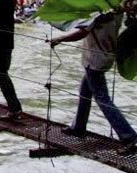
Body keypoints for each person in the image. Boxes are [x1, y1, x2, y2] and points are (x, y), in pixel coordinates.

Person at [51, 11, 137, 155]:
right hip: (105, 55)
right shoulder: (117, 12)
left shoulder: (98, 14)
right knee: (85, 92)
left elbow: (82, 32)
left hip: (95, 58)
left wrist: (60, 39)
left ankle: (129, 137)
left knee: (102, 99)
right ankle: (78, 127)